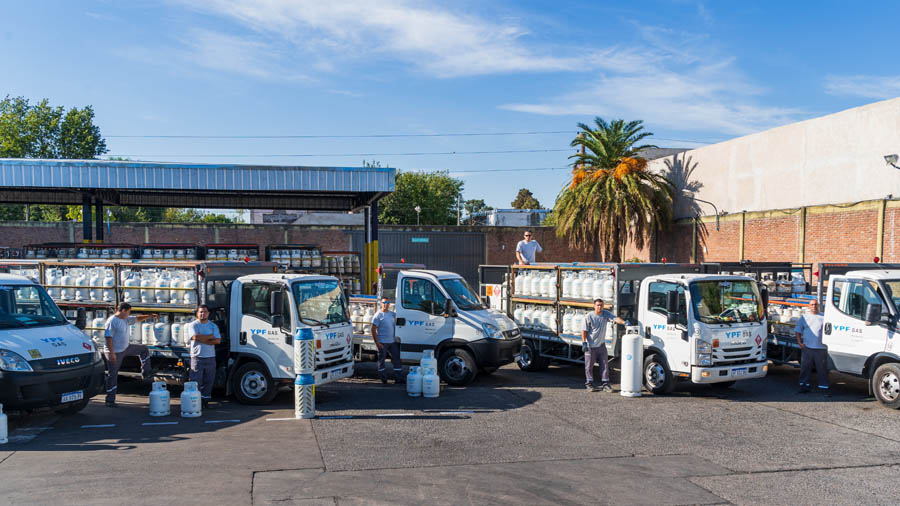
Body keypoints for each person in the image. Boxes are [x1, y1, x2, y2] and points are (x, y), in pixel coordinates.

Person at [103, 302, 157, 407]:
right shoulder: (112, 321)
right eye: (128, 312)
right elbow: (108, 338)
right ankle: (110, 400)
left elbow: (137, 318)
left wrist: (149, 316)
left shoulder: (125, 319)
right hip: (114, 352)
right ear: (123, 311)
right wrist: (112, 353)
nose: (129, 314)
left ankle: (146, 372)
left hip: (126, 348)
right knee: (112, 375)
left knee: (143, 349)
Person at [582, 299, 626, 392]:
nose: (599, 307)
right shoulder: (589, 316)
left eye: (601, 305)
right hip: (590, 346)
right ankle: (589, 384)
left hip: (601, 345)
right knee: (589, 366)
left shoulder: (605, 314)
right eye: (597, 305)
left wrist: (624, 322)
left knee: (605, 365)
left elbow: (615, 318)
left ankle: (605, 384)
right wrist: (584, 342)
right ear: (594, 306)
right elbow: (584, 330)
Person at [185, 304, 222, 409]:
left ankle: (205, 401)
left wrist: (203, 338)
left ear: (208, 313)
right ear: (197, 314)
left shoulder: (213, 326)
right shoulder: (193, 325)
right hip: (197, 357)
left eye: (205, 312)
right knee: (196, 380)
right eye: (200, 312)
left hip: (210, 357)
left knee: (209, 381)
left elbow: (217, 340)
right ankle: (195, 402)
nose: (203, 314)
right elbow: (195, 337)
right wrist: (210, 337)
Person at [796, 299, 829, 396]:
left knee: (822, 369)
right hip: (807, 348)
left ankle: (823, 387)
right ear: (809, 306)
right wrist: (800, 343)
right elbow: (798, 330)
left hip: (821, 348)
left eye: (815, 304)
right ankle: (804, 385)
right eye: (812, 305)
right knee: (805, 368)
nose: (814, 306)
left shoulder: (824, 317)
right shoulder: (804, 317)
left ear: (818, 306)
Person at [371, 297, 404, 384]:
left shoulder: (392, 314)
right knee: (381, 361)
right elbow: (373, 329)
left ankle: (398, 378)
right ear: (381, 304)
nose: (385, 304)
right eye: (384, 302)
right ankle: (384, 379)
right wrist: (377, 343)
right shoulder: (378, 315)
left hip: (392, 342)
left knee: (396, 359)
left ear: (389, 304)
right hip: (382, 343)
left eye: (387, 302)